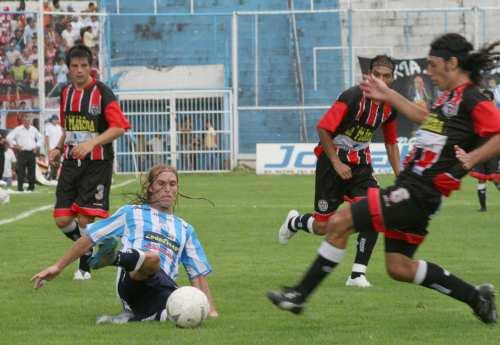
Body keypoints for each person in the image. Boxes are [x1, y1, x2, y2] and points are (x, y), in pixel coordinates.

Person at [267, 33, 500, 324]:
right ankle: (476, 297)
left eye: (432, 64)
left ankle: (299, 295)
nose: (428, 71)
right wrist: (388, 93)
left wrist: (473, 158)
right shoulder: (448, 98)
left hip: (418, 192)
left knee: (339, 222)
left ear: (452, 63)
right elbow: (421, 116)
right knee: (399, 267)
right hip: (415, 191)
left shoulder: (472, 97)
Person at [32, 165, 218, 323]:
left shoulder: (185, 229)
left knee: (180, 314)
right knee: (153, 258)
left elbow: (197, 274)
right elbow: (90, 237)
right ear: (151, 187)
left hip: (163, 290)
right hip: (133, 280)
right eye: (161, 183)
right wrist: (58, 266)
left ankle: (128, 318)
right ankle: (114, 258)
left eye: (172, 184)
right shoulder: (131, 213)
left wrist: (210, 310)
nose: (167, 189)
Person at [278, 55, 401, 288]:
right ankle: (296, 222)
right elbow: (323, 128)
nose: (382, 80)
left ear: (393, 79)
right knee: (323, 226)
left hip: (361, 166)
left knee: (373, 210)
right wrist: (336, 163)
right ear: (369, 75)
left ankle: (357, 275)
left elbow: (391, 143)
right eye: (378, 75)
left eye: (387, 76)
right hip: (331, 163)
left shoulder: (390, 105)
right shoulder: (352, 96)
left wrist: (401, 177)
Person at [48, 44, 131, 281]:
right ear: (68, 69)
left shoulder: (103, 93)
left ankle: (84, 267)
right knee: (62, 218)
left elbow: (119, 127)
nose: (80, 70)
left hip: (97, 163)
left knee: (85, 218)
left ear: (90, 67)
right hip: (71, 162)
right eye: (75, 66)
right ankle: (94, 247)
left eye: (84, 65)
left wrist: (92, 144)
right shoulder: (66, 93)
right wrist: (57, 147)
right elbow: (69, 129)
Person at [7, 113, 42, 192]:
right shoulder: (18, 129)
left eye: (28, 121)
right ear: (23, 121)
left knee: (32, 171)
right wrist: (15, 145)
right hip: (22, 152)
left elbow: (40, 138)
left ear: (30, 121)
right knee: (21, 171)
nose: (27, 122)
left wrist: (37, 146)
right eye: (25, 121)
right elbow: (9, 137)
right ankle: (20, 188)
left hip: (31, 152)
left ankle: (31, 187)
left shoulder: (34, 129)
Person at [44, 114, 62, 180]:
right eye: (54, 119)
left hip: (58, 148)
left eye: (57, 119)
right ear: (52, 120)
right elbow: (47, 138)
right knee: (51, 164)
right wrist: (48, 147)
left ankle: (54, 177)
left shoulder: (59, 127)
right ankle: (49, 177)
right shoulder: (48, 127)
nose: (56, 121)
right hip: (51, 148)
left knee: (58, 163)